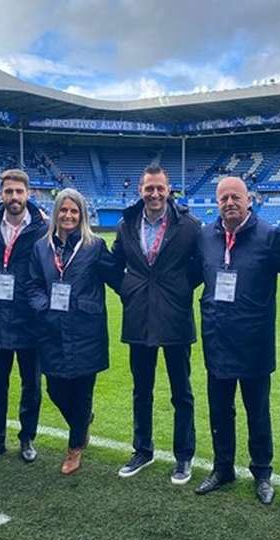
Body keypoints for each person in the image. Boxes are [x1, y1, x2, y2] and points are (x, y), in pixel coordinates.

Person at [193, 177, 280, 505]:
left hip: (254, 341)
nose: (230, 202)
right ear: (216, 202)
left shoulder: (269, 236)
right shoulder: (206, 236)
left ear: (250, 200)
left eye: (236, 197)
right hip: (216, 338)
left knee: (257, 412)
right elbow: (190, 277)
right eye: (224, 198)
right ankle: (223, 468)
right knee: (220, 410)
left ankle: (262, 473)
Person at [111, 165, 202, 484]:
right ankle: (142, 450)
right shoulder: (126, 225)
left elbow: (200, 268)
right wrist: (127, 289)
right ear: (141, 190)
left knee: (182, 392)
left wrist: (179, 288)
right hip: (139, 315)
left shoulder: (189, 226)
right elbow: (114, 265)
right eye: (149, 188)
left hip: (175, 315)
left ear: (169, 190)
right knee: (141, 390)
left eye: (159, 188)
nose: (154, 194)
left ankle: (183, 456)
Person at [26, 188, 120, 475]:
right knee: (55, 388)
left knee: (81, 391)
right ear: (56, 214)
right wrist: (44, 307)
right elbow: (32, 285)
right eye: (63, 210)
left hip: (85, 330)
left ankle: (75, 447)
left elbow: (116, 277)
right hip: (52, 329)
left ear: (81, 215)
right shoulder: (41, 248)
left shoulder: (95, 246)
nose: (68, 215)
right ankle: (82, 422)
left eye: (74, 211)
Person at [0, 169, 48, 467]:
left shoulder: (43, 227)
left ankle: (27, 437)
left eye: (19, 192)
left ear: (28, 194)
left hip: (29, 319)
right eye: (9, 192)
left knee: (31, 384)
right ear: (0, 194)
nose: (14, 197)